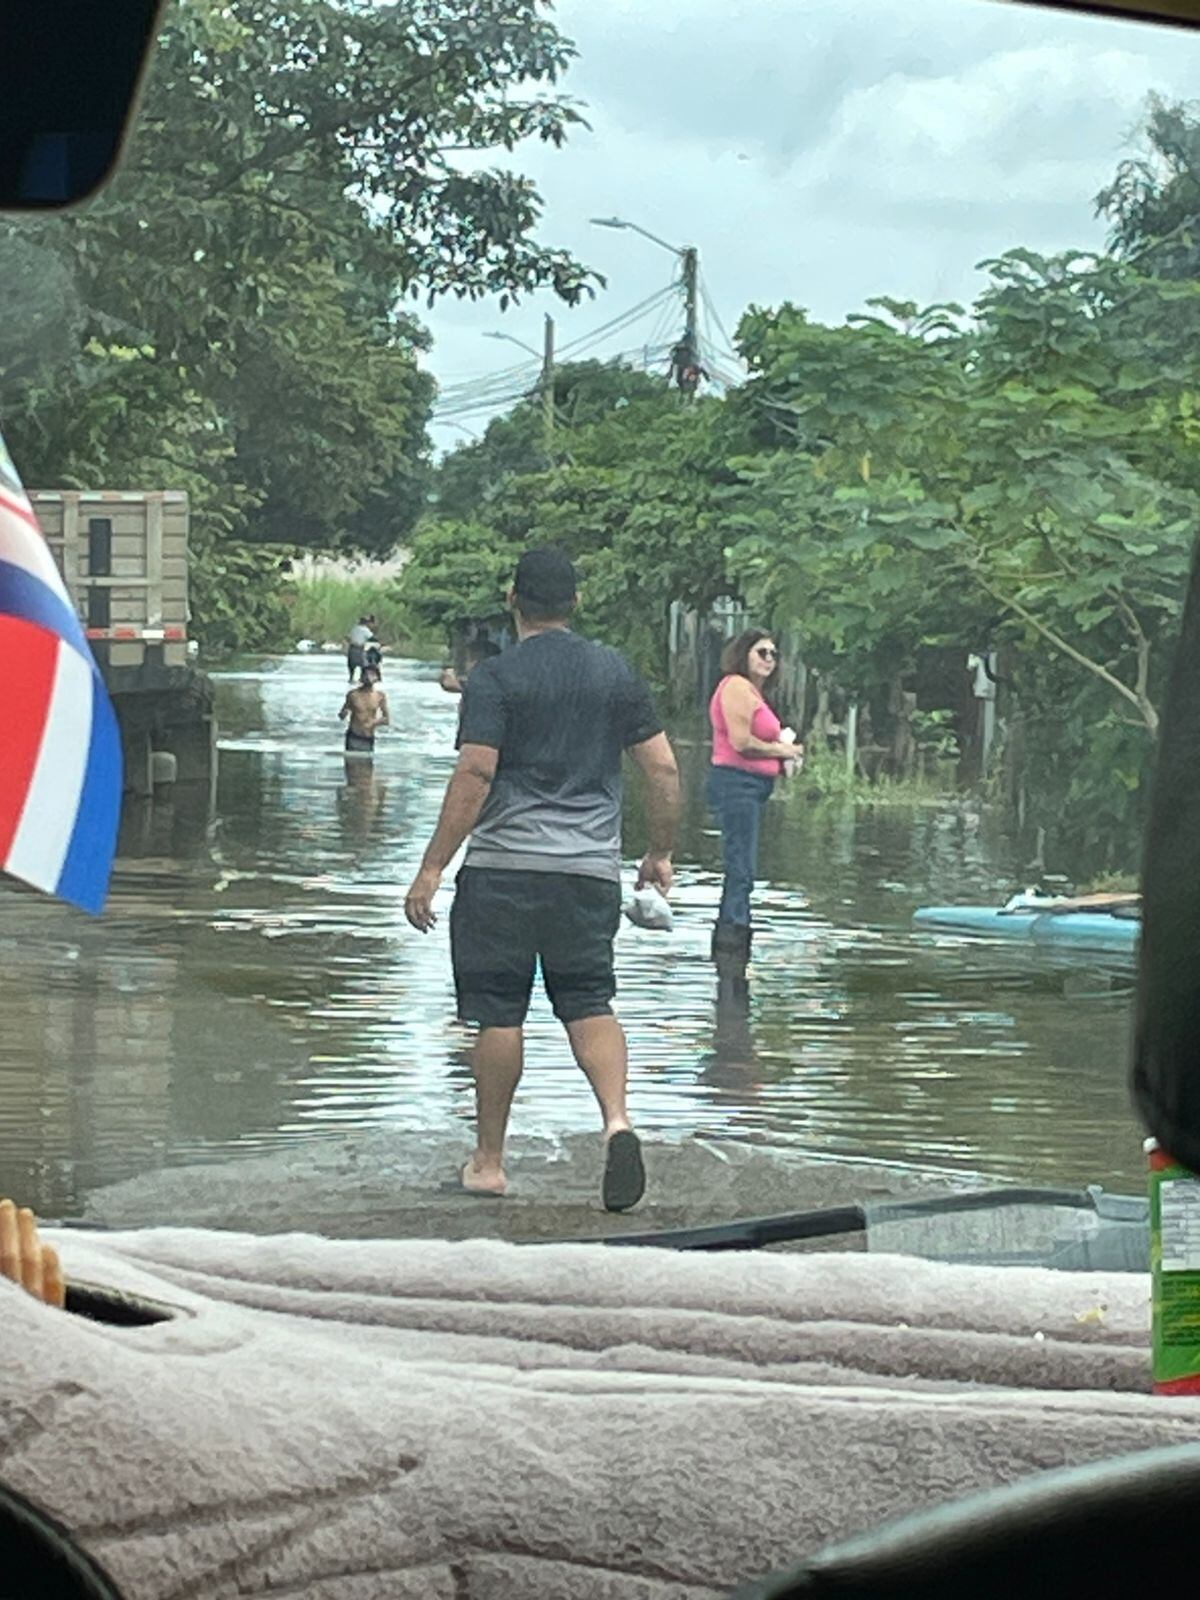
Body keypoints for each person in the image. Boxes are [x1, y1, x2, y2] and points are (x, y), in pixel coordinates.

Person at [404, 547, 680, 1212]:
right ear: (575, 603)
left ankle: (490, 1162)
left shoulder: (495, 678)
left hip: (503, 872)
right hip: (587, 874)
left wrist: (433, 867)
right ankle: (617, 1121)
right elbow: (664, 769)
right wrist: (660, 852)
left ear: (513, 599)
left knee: (499, 1010)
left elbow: (475, 773)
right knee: (590, 1001)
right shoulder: (613, 672)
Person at [707, 630, 803, 967]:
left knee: (742, 866)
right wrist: (781, 749)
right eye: (761, 652)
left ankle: (733, 942)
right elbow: (741, 741)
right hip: (737, 784)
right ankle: (732, 945)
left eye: (773, 654)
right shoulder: (735, 686)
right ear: (744, 654)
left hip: (753, 786)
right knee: (741, 867)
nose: (768, 659)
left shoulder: (754, 694)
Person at [338, 666, 389, 756]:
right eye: (366, 674)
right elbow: (342, 714)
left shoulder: (380, 696)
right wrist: (343, 714)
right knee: (352, 766)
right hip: (354, 736)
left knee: (367, 767)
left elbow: (386, 719)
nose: (368, 677)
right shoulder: (353, 695)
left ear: (377, 678)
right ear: (361, 677)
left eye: (372, 674)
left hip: (368, 737)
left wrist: (373, 722)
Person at [345, 616, 372, 682]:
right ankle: (361, 678)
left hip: (352, 648)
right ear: (366, 623)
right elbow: (371, 638)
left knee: (351, 665)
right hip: (360, 649)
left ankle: (351, 678)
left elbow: (348, 637)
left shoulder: (354, 628)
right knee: (364, 665)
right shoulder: (366, 630)